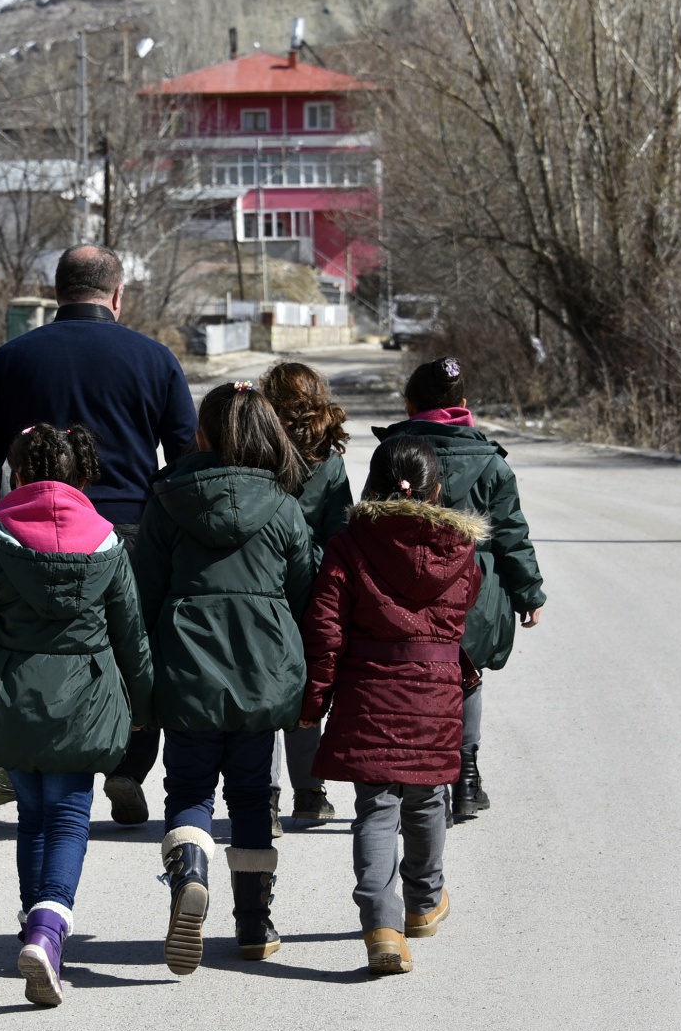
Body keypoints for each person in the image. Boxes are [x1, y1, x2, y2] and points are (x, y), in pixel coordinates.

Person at [0, 424, 151, 1008]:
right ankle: (47, 930)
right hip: (84, 707)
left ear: (15, 475)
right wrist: (145, 711)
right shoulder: (110, 546)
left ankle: (35, 926)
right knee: (68, 819)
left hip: (10, 704)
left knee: (34, 819)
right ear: (80, 476)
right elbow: (132, 639)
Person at [0, 244, 197, 827]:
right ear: (117, 295)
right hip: (128, 529)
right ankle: (127, 763)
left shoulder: (13, 358)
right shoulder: (154, 358)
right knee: (131, 649)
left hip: (31, 528)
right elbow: (186, 458)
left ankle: (36, 756)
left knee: (37, 646)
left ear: (55, 291)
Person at [132, 381, 315, 974]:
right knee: (250, 796)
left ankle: (190, 874)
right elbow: (305, 590)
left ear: (203, 435)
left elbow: (143, 593)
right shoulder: (285, 506)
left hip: (187, 671)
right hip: (262, 676)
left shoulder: (167, 501)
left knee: (188, 791)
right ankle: (254, 925)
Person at [300, 436, 484, 975]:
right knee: (427, 798)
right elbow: (468, 603)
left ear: (372, 485)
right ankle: (425, 904)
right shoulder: (460, 547)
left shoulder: (350, 542)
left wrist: (316, 699)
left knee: (376, 808)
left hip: (369, 689)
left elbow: (325, 628)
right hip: (435, 687)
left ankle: (382, 923)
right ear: (438, 490)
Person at [369, 357, 545, 821]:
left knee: (414, 681)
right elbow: (511, 534)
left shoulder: (393, 454)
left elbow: (371, 520)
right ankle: (467, 779)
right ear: (464, 406)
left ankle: (424, 783)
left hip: (403, 589)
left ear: (409, 404)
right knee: (466, 678)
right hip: (475, 589)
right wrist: (529, 593)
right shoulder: (490, 462)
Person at [259, 361, 352, 833]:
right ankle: (310, 793)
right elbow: (340, 532)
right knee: (304, 687)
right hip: (313, 586)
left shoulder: (259, 450)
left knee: (263, 684)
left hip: (262, 579)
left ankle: (265, 797)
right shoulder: (329, 461)